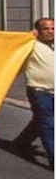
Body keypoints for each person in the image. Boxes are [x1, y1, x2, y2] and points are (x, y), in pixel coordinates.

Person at [13, 18, 54, 167]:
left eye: (53, 28)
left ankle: (21, 142)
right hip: (39, 91)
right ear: (38, 31)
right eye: (46, 29)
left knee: (40, 121)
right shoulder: (31, 45)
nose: (50, 31)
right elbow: (10, 42)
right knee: (48, 124)